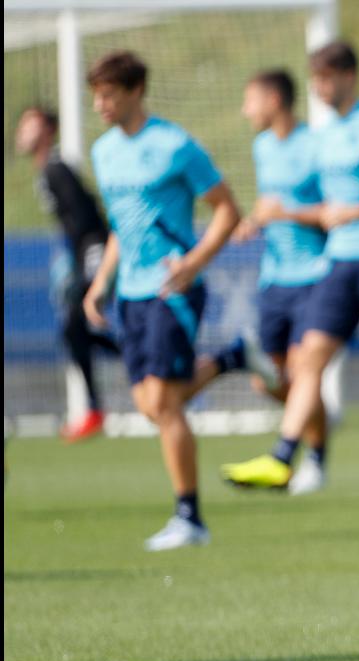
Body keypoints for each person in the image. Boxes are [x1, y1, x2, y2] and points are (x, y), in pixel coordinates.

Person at [222, 40, 359, 500]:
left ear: (349, 77)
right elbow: (318, 205)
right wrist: (277, 215)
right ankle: (283, 456)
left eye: (327, 77)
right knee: (307, 360)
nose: (320, 87)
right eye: (315, 79)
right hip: (339, 261)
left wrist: (357, 211)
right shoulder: (320, 136)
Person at [81, 50, 274, 551]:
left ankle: (189, 517)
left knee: (164, 404)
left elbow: (228, 211)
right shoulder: (103, 153)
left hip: (175, 288)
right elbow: (125, 225)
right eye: (96, 95)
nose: (100, 104)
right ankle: (233, 357)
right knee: (150, 404)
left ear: (135, 91)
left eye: (108, 94)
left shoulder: (174, 145)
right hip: (131, 294)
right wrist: (102, 281)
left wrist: (194, 264)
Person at [231, 69, 330, 495]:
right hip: (275, 277)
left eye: (250, 100)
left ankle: (306, 459)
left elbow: (332, 211)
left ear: (274, 99)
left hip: (315, 274)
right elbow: (270, 203)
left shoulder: (316, 146)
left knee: (304, 367)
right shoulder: (262, 147)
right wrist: (255, 220)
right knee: (265, 379)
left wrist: (286, 213)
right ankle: (314, 435)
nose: (244, 110)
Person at [15, 106, 119, 442]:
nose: (21, 132)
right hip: (85, 253)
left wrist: (85, 262)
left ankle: (94, 409)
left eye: (29, 125)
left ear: (47, 130)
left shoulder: (57, 168)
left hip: (95, 251)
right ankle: (139, 360)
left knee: (75, 325)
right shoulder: (46, 170)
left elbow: (88, 219)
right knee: (75, 331)